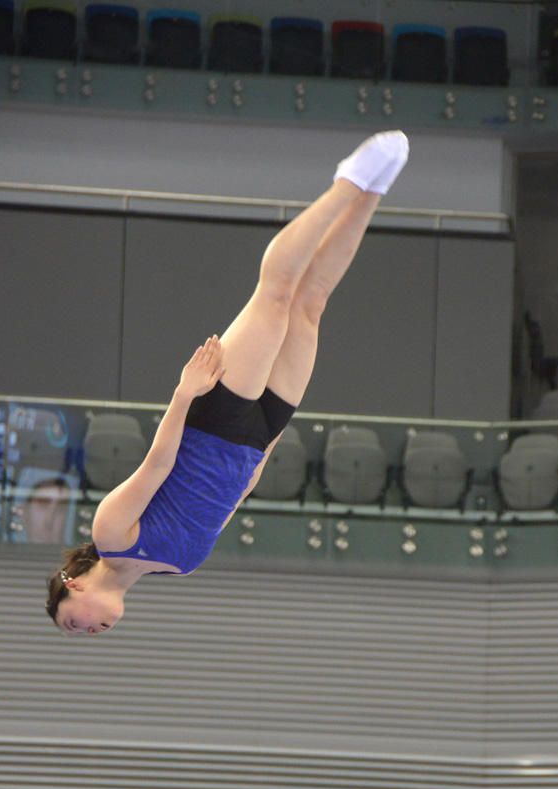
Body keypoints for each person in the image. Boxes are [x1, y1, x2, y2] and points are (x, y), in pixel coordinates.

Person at [45, 130, 410, 636]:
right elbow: (234, 497)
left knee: (278, 294)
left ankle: (347, 182)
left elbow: (158, 463)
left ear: (74, 587)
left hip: (210, 420)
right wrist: (270, 439)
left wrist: (185, 392)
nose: (85, 633)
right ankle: (375, 190)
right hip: (253, 438)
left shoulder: (110, 532)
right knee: (311, 305)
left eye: (71, 624)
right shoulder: (181, 567)